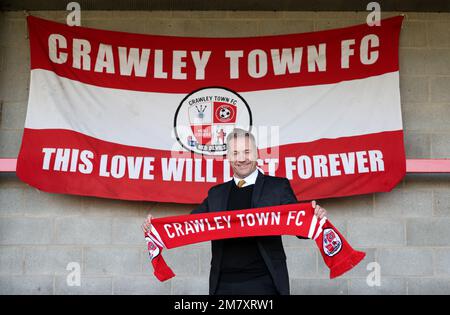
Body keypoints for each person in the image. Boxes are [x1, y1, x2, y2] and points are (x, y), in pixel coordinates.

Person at [142, 128, 327, 295]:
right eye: (235, 153)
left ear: (256, 153)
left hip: (265, 283)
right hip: (223, 284)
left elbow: (300, 227)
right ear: (229, 157)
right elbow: (189, 224)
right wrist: (156, 228)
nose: (241, 158)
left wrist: (315, 217)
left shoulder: (277, 187)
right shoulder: (216, 194)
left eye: (247, 152)